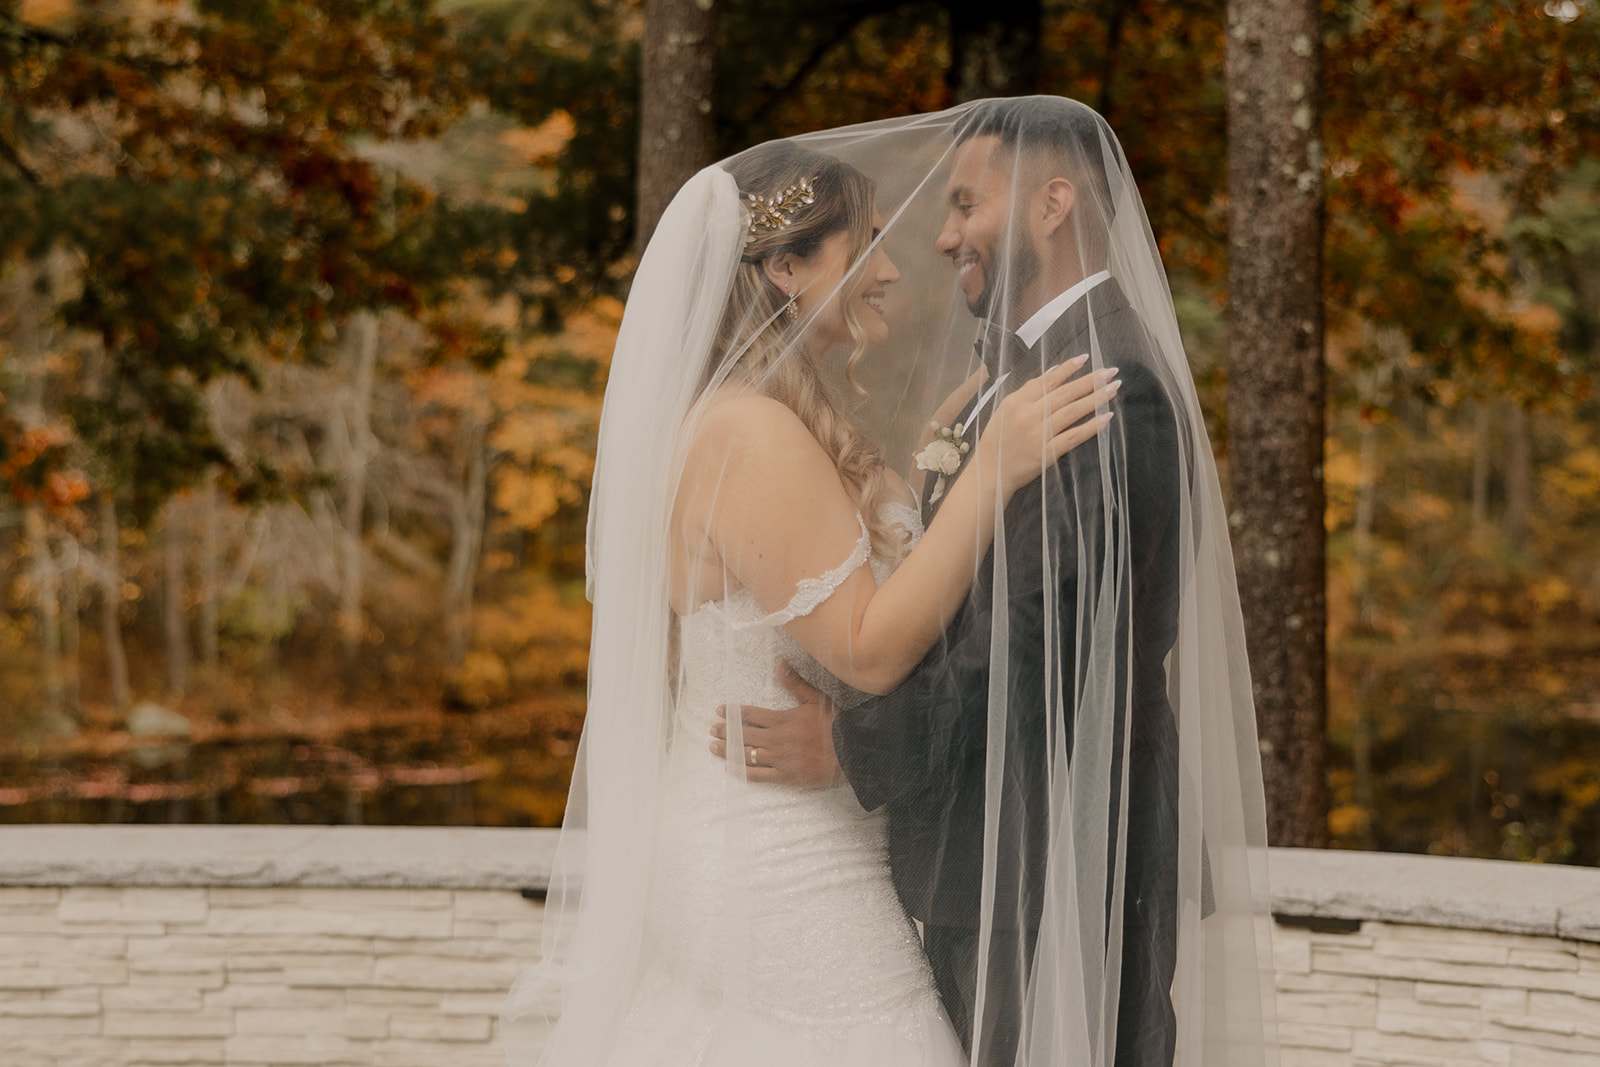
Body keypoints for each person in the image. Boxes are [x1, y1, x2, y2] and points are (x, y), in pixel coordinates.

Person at [501, 132, 1120, 1066]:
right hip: (777, 852)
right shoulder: (751, 432)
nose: (889, 271)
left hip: (764, 826)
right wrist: (990, 473)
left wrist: (938, 472)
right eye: (863, 245)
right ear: (787, 267)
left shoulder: (740, 416)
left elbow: (832, 583)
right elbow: (867, 647)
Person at [710, 97, 1279, 1066]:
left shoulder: (1103, 388)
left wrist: (852, 744)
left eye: (966, 203)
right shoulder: (1022, 385)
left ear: (1052, 203)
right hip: (994, 857)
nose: (942, 235)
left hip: (1055, 856)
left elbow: (1033, 638)